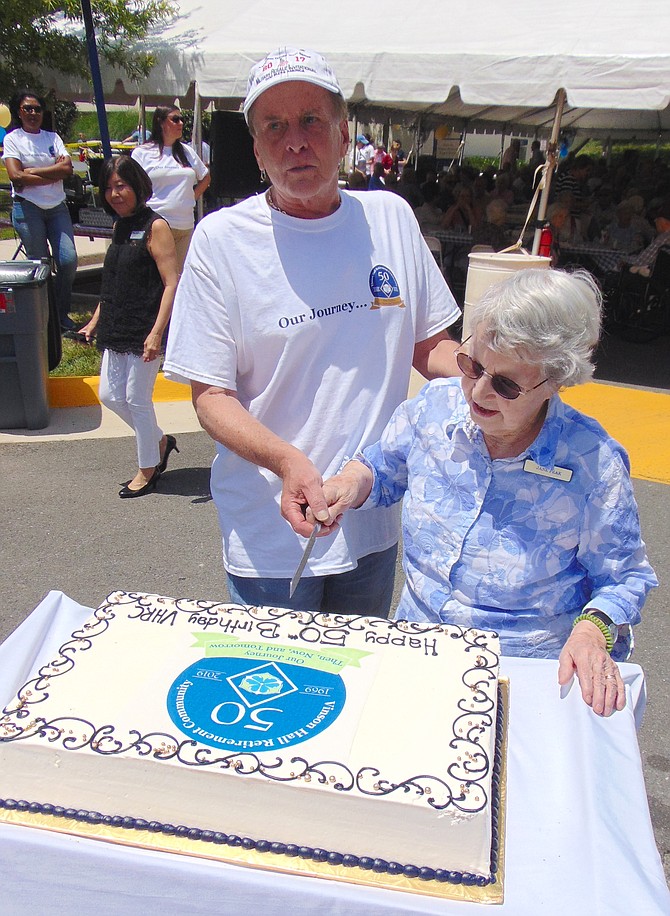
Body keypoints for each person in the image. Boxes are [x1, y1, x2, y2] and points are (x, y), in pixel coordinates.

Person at [163, 46, 461, 617]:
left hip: (369, 520)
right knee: (275, 695)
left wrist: (492, 372)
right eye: (273, 126)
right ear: (255, 147)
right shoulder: (221, 241)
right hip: (272, 532)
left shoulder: (390, 218)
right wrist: (286, 462)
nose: (294, 141)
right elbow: (210, 398)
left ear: (344, 133)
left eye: (310, 121)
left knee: (357, 685)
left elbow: (429, 347)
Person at [316, 268, 657, 717]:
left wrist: (592, 633)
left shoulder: (591, 464)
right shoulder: (433, 408)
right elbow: (385, 466)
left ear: (555, 381)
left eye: (506, 384)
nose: (477, 390)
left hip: (523, 675)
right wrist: (350, 482)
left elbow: (623, 579)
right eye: (472, 364)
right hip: (417, 647)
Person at [78, 157, 180, 498]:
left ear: (137, 186)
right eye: (108, 187)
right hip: (117, 324)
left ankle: (147, 468)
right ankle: (160, 441)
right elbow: (113, 282)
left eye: (121, 186)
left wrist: (156, 333)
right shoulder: (120, 227)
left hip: (144, 326)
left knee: (137, 399)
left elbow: (171, 282)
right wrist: (95, 320)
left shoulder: (156, 227)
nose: (114, 193)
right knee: (110, 395)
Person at [2, 90, 78, 332]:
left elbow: (67, 169)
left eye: (37, 109)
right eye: (28, 109)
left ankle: (60, 313)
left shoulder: (52, 138)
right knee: (41, 264)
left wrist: (31, 173)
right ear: (19, 112)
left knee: (67, 260)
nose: (33, 113)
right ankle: (44, 318)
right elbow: (15, 176)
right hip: (28, 209)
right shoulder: (13, 139)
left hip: (57, 208)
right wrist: (50, 172)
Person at [131, 106, 210, 270]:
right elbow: (133, 185)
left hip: (185, 226)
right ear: (160, 122)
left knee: (180, 280)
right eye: (175, 119)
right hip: (157, 225)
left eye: (182, 119)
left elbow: (206, 178)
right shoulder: (143, 153)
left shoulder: (186, 152)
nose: (180, 123)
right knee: (161, 279)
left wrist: (190, 198)